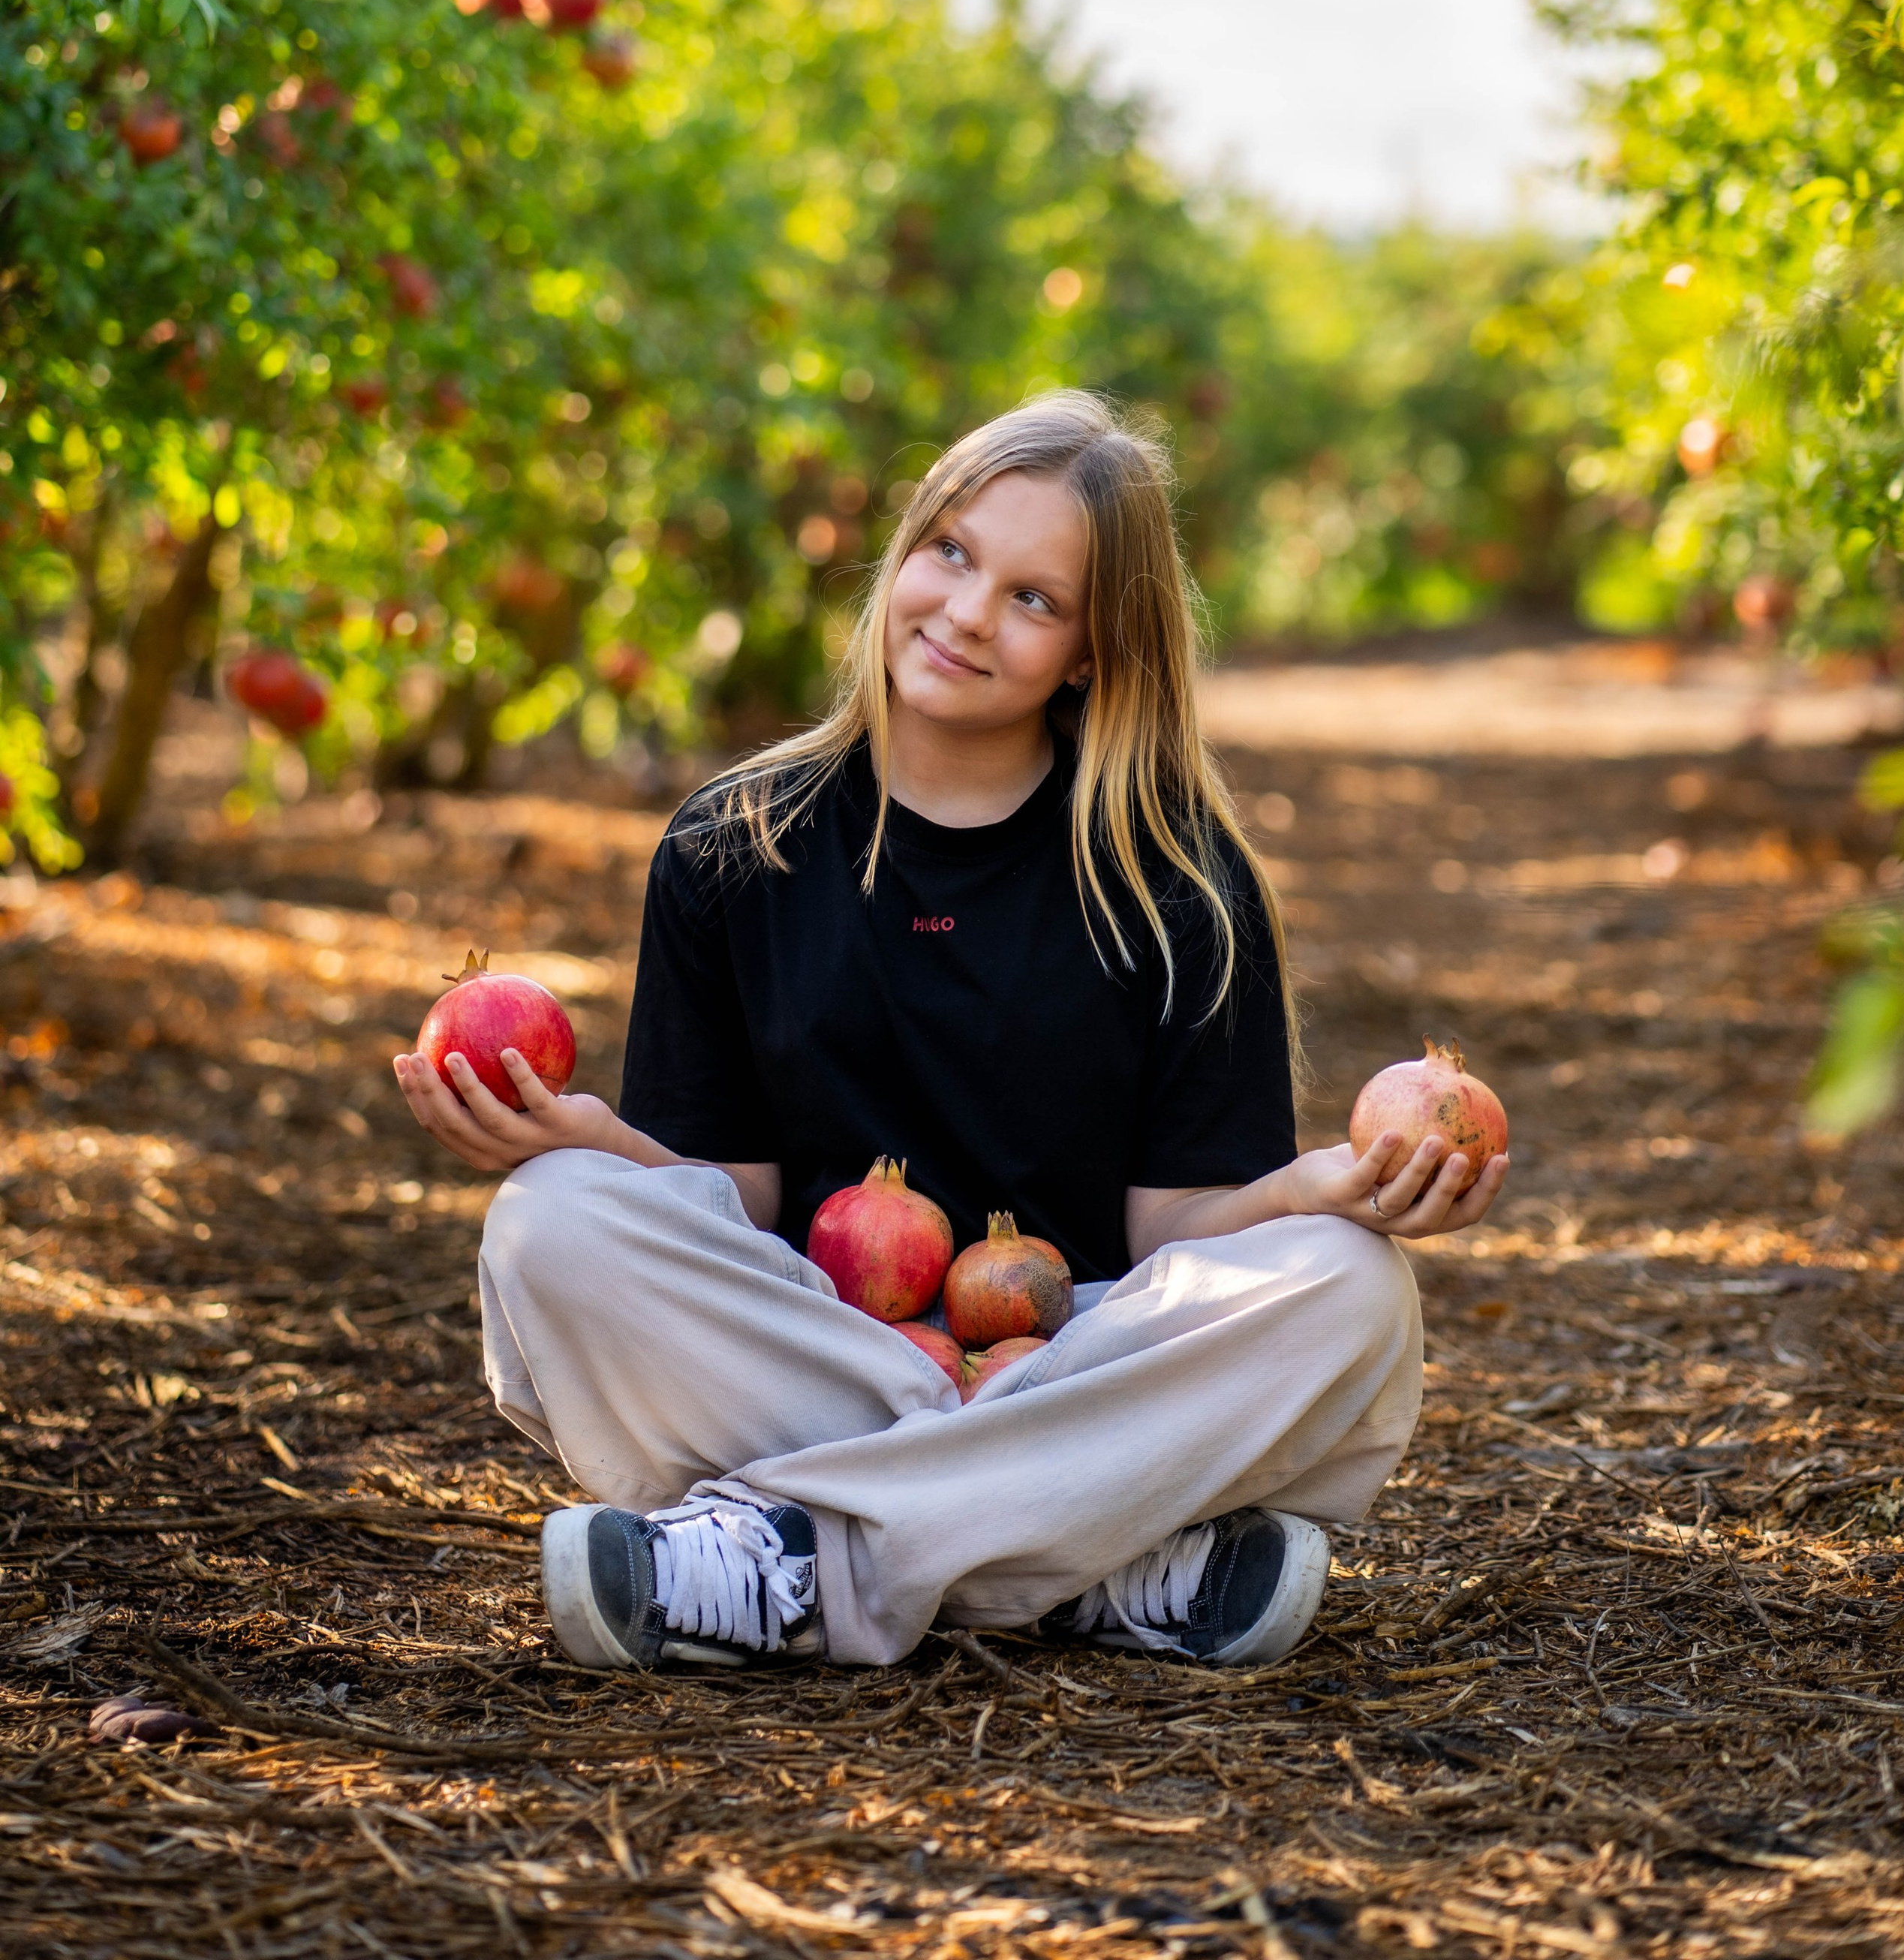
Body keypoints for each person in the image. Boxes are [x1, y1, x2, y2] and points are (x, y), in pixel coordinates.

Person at [394, 391, 1508, 1674]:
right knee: (553, 1217)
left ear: (1095, 649)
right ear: (903, 555)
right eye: (952, 553)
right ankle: (1091, 1550)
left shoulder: (1178, 880)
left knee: (1352, 1286)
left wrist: (1330, 1187)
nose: (969, 613)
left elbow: (1172, 1237)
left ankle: (798, 1562)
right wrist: (589, 1137)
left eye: (1035, 598)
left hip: (1086, 1349)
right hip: (819, 1338)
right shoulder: (734, 845)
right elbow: (736, 1210)